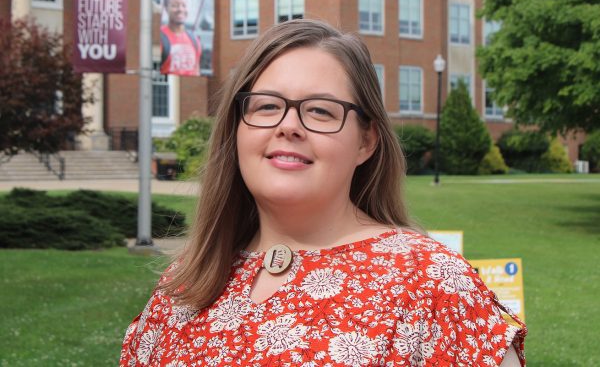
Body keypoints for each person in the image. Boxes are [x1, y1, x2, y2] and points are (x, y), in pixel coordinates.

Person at [121, 19, 526, 366]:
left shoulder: (431, 284)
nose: (288, 126)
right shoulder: (184, 285)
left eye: (319, 110)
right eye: (265, 106)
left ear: (366, 141)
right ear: (236, 129)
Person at [160, 0, 201, 76]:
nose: (180, 9)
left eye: (184, 5)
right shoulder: (159, 37)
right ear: (166, 8)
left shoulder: (194, 39)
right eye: (175, 5)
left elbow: (196, 70)